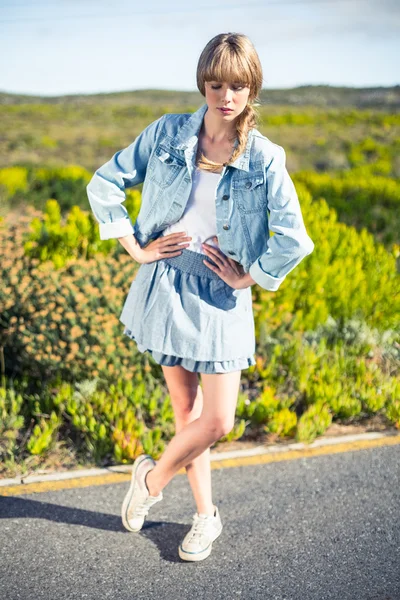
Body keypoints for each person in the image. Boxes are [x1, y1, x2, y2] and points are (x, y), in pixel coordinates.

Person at [86, 32, 314, 562]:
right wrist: (138, 251)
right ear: (203, 84)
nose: (226, 96)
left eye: (237, 86)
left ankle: (150, 479)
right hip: (168, 280)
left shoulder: (265, 158)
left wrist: (249, 276)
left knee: (218, 421)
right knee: (186, 416)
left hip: (222, 294)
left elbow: (295, 237)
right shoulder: (166, 134)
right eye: (216, 84)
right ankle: (205, 518)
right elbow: (104, 184)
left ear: (251, 88)